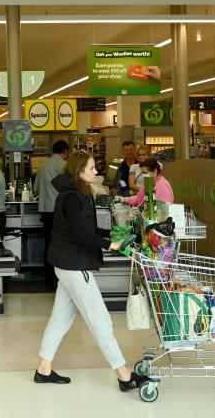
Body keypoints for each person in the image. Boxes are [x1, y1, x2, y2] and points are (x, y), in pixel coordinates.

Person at [35, 151, 149, 392]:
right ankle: (123, 374)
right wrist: (111, 245)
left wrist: (114, 233)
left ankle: (43, 368)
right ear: (79, 172)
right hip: (75, 266)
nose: (95, 172)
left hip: (64, 264)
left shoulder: (74, 194)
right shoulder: (74, 198)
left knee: (61, 318)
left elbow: (87, 227)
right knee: (100, 320)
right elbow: (80, 234)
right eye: (90, 169)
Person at [33, 140, 69, 289]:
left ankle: (48, 276)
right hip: (58, 211)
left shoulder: (43, 164)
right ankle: (57, 277)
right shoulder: (63, 165)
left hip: (46, 210)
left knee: (48, 242)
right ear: (65, 151)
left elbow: (35, 188)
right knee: (59, 244)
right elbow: (68, 188)